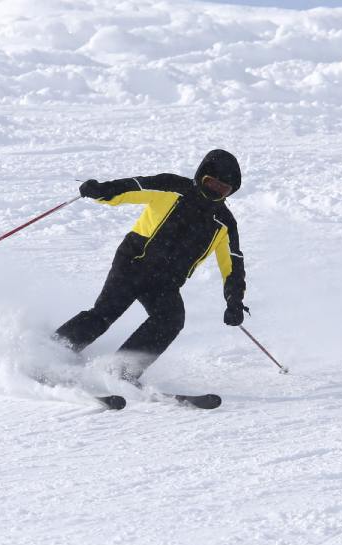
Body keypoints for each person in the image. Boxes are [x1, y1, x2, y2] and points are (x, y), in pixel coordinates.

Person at [53, 149, 247, 383]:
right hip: (134, 263)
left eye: (223, 189)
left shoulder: (224, 222)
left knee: (171, 320)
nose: (215, 191)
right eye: (211, 183)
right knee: (105, 313)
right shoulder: (173, 187)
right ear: (201, 176)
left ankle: (120, 371)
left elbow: (233, 265)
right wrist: (103, 191)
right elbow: (134, 187)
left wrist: (234, 301)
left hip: (165, 282)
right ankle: (51, 354)